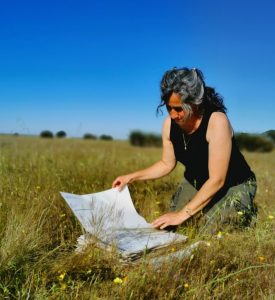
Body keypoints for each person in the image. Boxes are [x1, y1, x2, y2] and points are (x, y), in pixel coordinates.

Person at [112, 67, 257, 234]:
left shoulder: (217, 121)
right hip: (197, 181)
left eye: (179, 109)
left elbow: (218, 179)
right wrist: (131, 177)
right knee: (173, 227)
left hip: (234, 184)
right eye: (169, 108)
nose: (173, 115)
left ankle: (247, 211)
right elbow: (166, 164)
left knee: (210, 231)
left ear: (194, 103)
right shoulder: (169, 124)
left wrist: (182, 214)